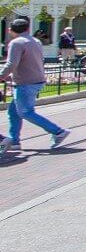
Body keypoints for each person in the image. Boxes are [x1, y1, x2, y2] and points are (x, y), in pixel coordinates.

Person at [0, 17, 71, 157]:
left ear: (10, 30)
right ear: (27, 29)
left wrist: (1, 75)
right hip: (36, 80)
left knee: (25, 112)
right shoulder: (35, 41)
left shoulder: (16, 43)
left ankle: (58, 131)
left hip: (25, 83)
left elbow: (11, 64)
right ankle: (14, 141)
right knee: (13, 112)